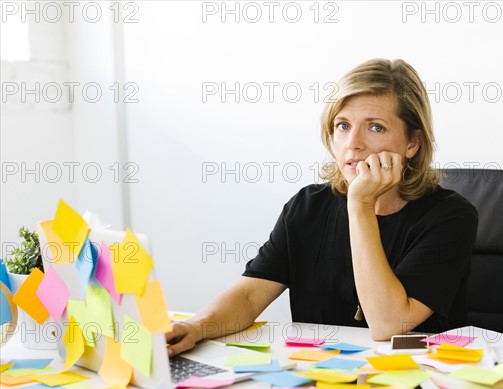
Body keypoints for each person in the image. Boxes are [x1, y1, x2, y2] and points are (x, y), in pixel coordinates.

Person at [166, 58, 478, 356]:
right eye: (342, 125)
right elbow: (249, 295)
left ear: (412, 143)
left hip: (414, 386)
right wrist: (197, 327)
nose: (353, 143)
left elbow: (387, 325)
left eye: (376, 127)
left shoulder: (451, 217)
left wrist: (361, 204)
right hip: (318, 379)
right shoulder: (307, 207)